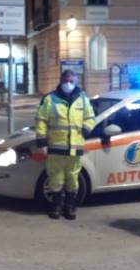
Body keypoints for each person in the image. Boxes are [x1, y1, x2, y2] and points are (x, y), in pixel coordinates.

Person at [35, 70, 95, 220]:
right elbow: (41, 119)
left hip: (75, 148)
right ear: (61, 80)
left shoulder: (83, 98)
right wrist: (42, 141)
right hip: (55, 147)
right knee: (55, 178)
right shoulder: (50, 99)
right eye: (66, 80)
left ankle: (70, 207)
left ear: (75, 81)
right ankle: (56, 207)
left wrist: (86, 130)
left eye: (71, 80)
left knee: (72, 178)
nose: (69, 83)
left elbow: (90, 117)